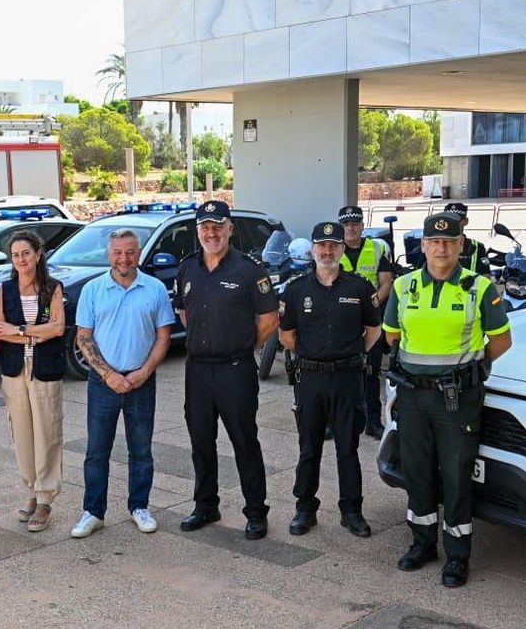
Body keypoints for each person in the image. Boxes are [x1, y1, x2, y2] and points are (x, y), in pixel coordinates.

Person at [383, 213, 512, 587]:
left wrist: (469, 371)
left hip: (457, 399)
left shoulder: (480, 288)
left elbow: (501, 341)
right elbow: (392, 335)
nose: (441, 248)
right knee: (417, 471)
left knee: (456, 475)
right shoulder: (405, 287)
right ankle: (421, 543)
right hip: (412, 397)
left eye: (449, 241)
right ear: (422, 246)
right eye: (434, 241)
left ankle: (457, 556)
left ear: (460, 245)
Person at [174, 200, 279, 540]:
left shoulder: (249, 270)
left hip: (235, 369)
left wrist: (243, 346)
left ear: (230, 228)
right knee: (200, 441)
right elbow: (184, 314)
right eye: (205, 226)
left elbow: (269, 320)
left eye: (218, 225)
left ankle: (256, 512)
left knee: (244, 441)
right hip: (198, 370)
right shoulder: (187, 268)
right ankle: (206, 505)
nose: (211, 232)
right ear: (198, 230)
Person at [70, 228, 175, 539]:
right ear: (109, 254)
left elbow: (163, 337)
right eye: (117, 252)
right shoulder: (92, 290)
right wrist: (109, 375)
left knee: (141, 449)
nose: (123, 258)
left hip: (142, 380)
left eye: (129, 252)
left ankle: (139, 506)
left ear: (139, 253)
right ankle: (93, 511)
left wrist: (143, 372)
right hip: (103, 382)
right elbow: (84, 338)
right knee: (96, 450)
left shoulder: (155, 289)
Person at [279, 221, 382, 538]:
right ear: (312, 249)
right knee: (309, 447)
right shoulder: (296, 290)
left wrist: (350, 355)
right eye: (321, 246)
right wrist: (313, 358)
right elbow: (287, 336)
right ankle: (304, 509)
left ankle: (351, 511)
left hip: (348, 379)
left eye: (334, 246)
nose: (327, 251)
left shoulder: (360, 288)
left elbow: (374, 330)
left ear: (341, 250)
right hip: (310, 379)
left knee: (347, 448)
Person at [0, 230, 67, 532]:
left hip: (45, 368)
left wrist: (19, 330)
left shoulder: (51, 288)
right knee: (22, 433)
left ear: (38, 254)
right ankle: (32, 490)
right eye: (15, 255)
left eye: (26, 253)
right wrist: (35, 331)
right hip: (14, 370)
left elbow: (58, 328)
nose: (21, 259)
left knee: (47, 432)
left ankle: (46, 497)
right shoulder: (5, 289)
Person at [338, 206, 395, 439]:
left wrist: (368, 307)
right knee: (340, 375)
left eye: (355, 224)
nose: (351, 228)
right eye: (346, 225)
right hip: (342, 321)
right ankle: (338, 422)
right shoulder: (333, 249)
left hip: (371, 321)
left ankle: (373, 421)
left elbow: (386, 283)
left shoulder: (377, 247)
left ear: (362, 226)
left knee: (370, 374)